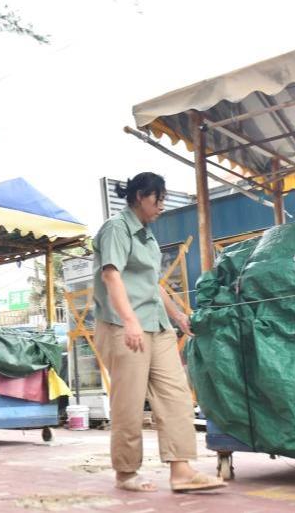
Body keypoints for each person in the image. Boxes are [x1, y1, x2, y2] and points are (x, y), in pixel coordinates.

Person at [93, 172, 226, 493]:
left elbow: (152, 285)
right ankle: (126, 473)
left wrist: (179, 316)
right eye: (159, 199)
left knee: (176, 396)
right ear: (141, 196)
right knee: (130, 402)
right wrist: (130, 321)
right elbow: (112, 276)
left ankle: (181, 471)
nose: (162, 206)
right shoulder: (117, 228)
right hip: (123, 328)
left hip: (157, 326)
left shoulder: (148, 237)